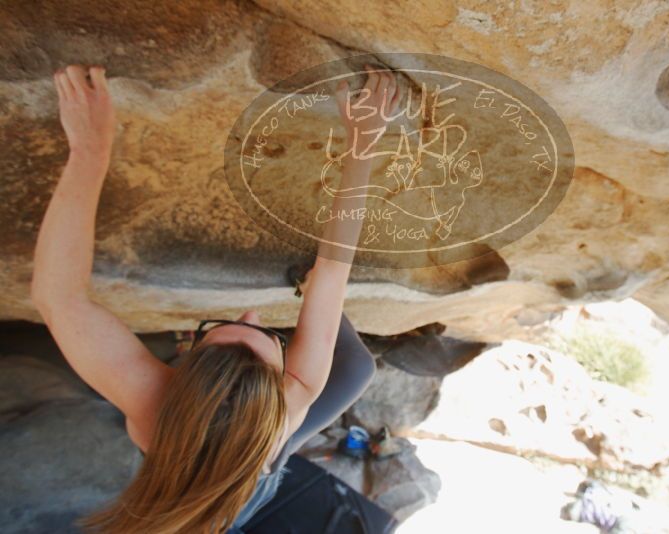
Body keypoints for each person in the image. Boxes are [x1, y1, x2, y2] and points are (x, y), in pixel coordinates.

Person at [31, 63, 400, 533]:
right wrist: (364, 141)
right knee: (356, 368)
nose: (251, 312)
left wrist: (89, 149)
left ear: (182, 372)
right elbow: (332, 269)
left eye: (226, 329)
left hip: (190, 507)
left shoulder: (152, 409)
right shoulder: (292, 398)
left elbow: (56, 295)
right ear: (282, 383)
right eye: (266, 332)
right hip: (251, 480)